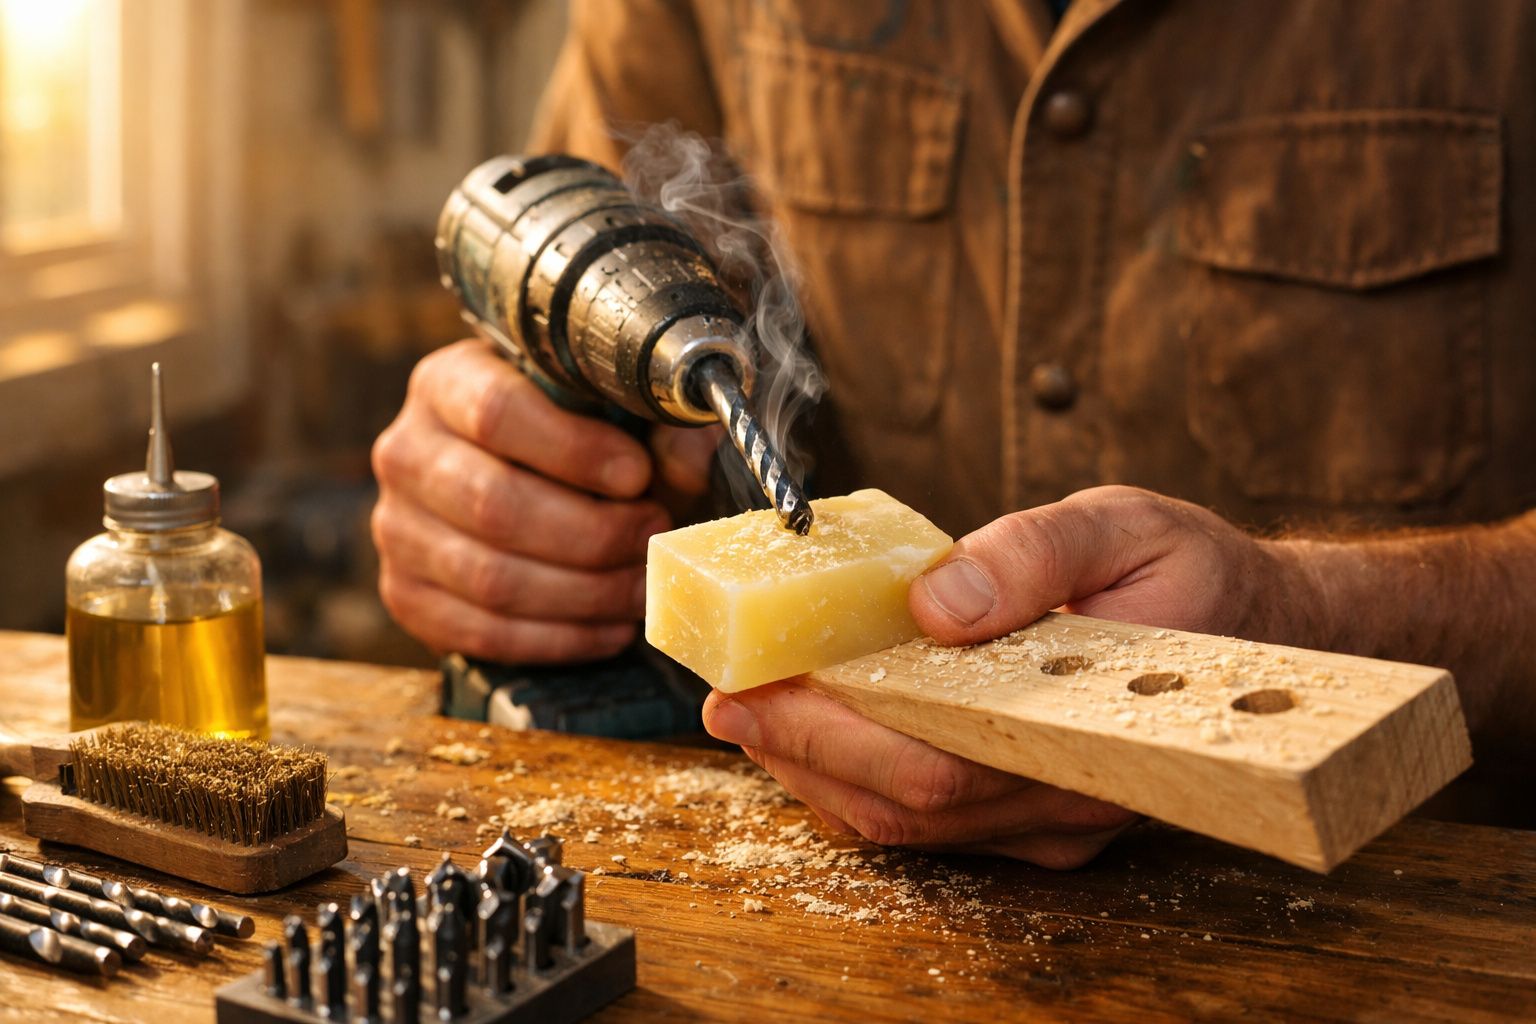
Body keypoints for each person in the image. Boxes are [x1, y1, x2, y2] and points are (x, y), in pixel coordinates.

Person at [372, 1, 1536, 867]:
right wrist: (494, 487)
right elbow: (551, 277)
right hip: (827, 877)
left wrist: (1322, 616)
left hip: (1422, 894)